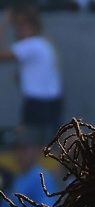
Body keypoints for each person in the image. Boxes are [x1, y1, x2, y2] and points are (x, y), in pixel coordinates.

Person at [0, 4, 63, 141]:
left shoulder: (32, 44)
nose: (17, 30)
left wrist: (3, 23)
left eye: (20, 25)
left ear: (31, 26)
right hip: (50, 103)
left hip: (38, 104)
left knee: (28, 146)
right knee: (44, 147)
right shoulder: (42, 43)